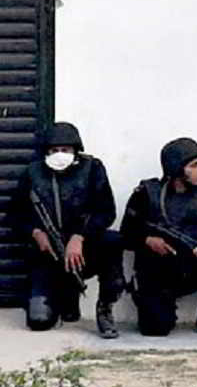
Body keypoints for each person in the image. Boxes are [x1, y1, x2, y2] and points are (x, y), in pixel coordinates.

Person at [120, 138, 197, 337]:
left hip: (195, 264)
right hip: (159, 270)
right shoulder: (147, 194)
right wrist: (147, 240)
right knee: (155, 329)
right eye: (194, 165)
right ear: (177, 169)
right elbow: (127, 233)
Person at [16, 122, 125, 338]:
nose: (59, 154)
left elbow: (106, 211)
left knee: (113, 241)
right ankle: (60, 301)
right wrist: (36, 233)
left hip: (84, 250)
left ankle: (105, 309)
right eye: (54, 150)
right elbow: (16, 213)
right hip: (47, 254)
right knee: (39, 321)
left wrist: (80, 236)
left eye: (65, 150)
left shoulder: (93, 168)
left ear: (75, 150)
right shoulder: (33, 173)